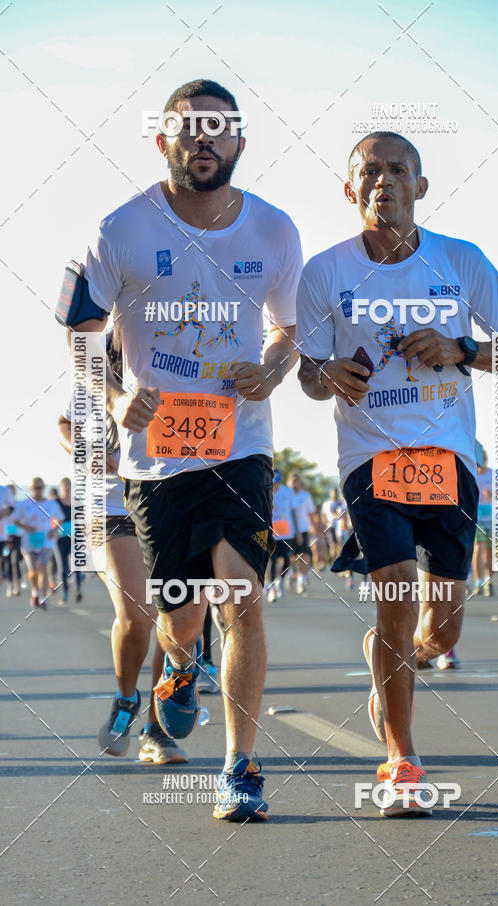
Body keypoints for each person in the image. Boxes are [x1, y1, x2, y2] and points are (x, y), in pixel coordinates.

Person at [65, 79, 302, 820]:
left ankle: (241, 766)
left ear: (239, 141)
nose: (205, 139)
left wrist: (271, 369)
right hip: (155, 456)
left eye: (220, 128)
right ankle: (176, 667)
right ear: (162, 138)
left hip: (241, 447)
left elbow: (287, 329)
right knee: (181, 615)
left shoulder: (273, 230)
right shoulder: (119, 230)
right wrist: (109, 397)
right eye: (189, 128)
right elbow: (79, 329)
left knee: (243, 600)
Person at [296, 130, 498, 816]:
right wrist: (326, 375)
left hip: (450, 457)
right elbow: (312, 374)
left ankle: (394, 658)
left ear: (420, 187)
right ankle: (402, 760)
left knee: (443, 630)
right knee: (396, 595)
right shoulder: (325, 272)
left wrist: (462, 348)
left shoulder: (461, 261)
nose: (383, 181)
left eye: (397, 170)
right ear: (350, 190)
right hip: (370, 456)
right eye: (369, 171)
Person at [58, 329, 188, 764]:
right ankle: (126, 698)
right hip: (110, 505)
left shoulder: (176, 360)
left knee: (169, 617)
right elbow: (63, 423)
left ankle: (154, 727)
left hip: (164, 499)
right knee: (138, 614)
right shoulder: (97, 369)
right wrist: (86, 452)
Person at [13, 479, 62, 608]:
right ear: (30, 488)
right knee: (32, 571)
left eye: (40, 487)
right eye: (35, 487)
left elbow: (60, 518)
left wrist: (54, 529)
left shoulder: (51, 504)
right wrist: (26, 528)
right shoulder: (24, 504)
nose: (37, 490)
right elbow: (15, 521)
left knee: (43, 567)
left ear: (43, 488)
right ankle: (35, 592)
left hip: (46, 542)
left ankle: (43, 597)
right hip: (28, 542)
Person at [266, 469, 297, 603]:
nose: (275, 486)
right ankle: (272, 589)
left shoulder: (288, 492)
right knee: (272, 561)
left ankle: (281, 581)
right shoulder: (265, 490)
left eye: (277, 483)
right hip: (271, 533)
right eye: (273, 483)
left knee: (286, 559)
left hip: (286, 533)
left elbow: (293, 511)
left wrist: (297, 532)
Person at [54, 478, 83, 604]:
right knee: (62, 567)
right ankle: (64, 592)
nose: (66, 487)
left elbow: (82, 519)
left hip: (75, 537)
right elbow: (50, 518)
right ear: (60, 487)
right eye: (64, 485)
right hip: (60, 538)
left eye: (68, 484)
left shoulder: (77, 501)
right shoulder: (55, 502)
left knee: (76, 565)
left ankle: (77, 590)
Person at [289, 473, 317, 594]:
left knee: (304, 555)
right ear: (288, 483)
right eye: (292, 481)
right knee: (290, 556)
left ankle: (301, 580)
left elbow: (311, 513)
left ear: (300, 483)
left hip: (303, 529)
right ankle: (291, 573)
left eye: (297, 481)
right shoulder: (285, 495)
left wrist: (314, 528)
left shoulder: (306, 496)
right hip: (288, 531)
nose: (295, 484)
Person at [472, 446, 494, 597]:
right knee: (479, 548)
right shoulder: (472, 475)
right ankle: (478, 582)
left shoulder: (493, 474)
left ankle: (488, 580)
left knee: (490, 551)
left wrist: (493, 493)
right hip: (477, 518)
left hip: (492, 518)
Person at [321, 487, 344, 563]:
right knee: (332, 545)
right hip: (330, 526)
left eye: (335, 492)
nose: (334, 494)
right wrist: (324, 525)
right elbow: (323, 515)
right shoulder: (327, 503)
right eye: (333, 492)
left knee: (339, 544)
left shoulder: (340, 503)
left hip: (340, 528)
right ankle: (333, 561)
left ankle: (339, 560)